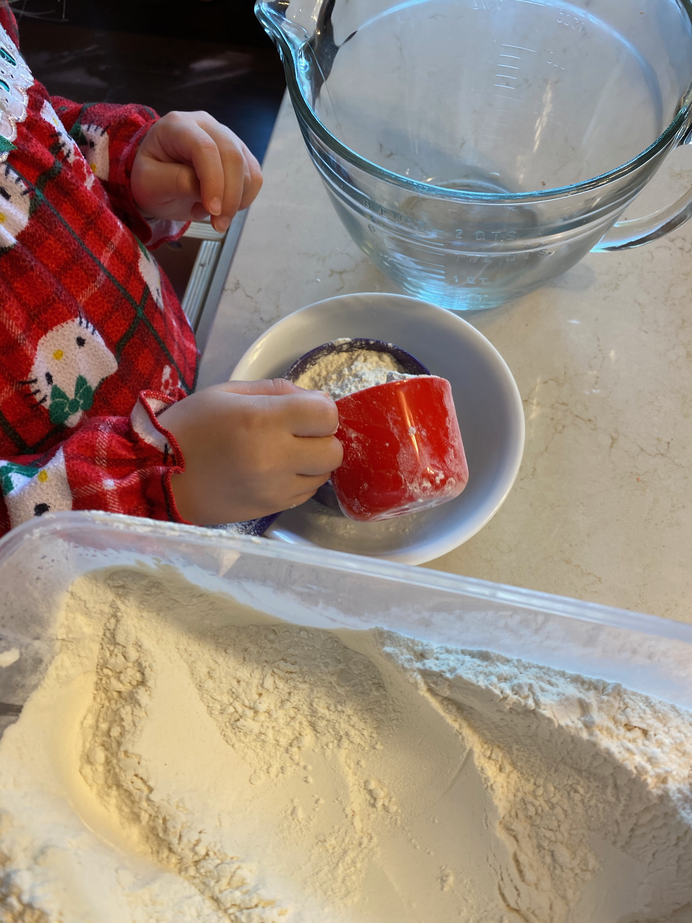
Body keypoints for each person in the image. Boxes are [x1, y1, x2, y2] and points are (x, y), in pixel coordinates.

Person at [0, 2, 342, 537]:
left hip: (174, 388)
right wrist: (152, 480)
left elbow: (31, 127)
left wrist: (125, 166)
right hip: (98, 539)